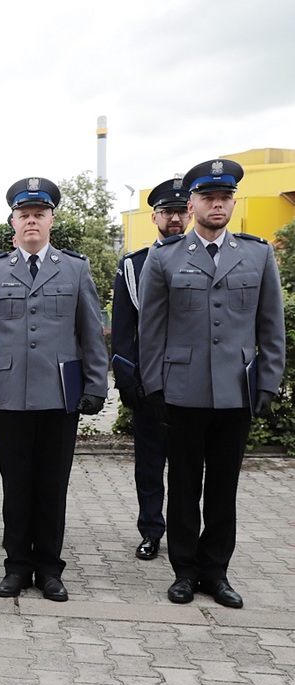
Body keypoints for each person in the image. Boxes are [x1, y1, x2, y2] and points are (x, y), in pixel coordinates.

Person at [138, 158, 286, 609]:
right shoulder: (165, 258)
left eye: (224, 198)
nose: (216, 204)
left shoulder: (257, 254)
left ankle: (216, 572)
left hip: (235, 390)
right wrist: (153, 387)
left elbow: (271, 326)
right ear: (193, 204)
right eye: (208, 198)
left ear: (232, 203)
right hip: (183, 389)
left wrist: (268, 382)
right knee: (183, 485)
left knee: (224, 488)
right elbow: (151, 330)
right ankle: (185, 571)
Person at [0, 178, 107, 602]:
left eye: (39, 214)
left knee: (51, 487)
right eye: (24, 215)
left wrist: (96, 384)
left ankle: (49, 569)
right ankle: (17, 567)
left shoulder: (74, 269)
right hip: (10, 396)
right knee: (17, 488)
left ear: (51, 220)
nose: (32, 221)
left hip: (59, 396)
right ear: (13, 221)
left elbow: (91, 332)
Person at [110, 178, 190, 561]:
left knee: (190, 466)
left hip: (192, 385)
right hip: (149, 385)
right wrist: (129, 381)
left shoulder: (204, 259)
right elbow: (123, 330)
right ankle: (151, 531)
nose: (174, 218)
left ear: (189, 212)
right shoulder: (133, 265)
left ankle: (185, 535)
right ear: (154, 216)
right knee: (150, 464)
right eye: (166, 212)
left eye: (180, 211)